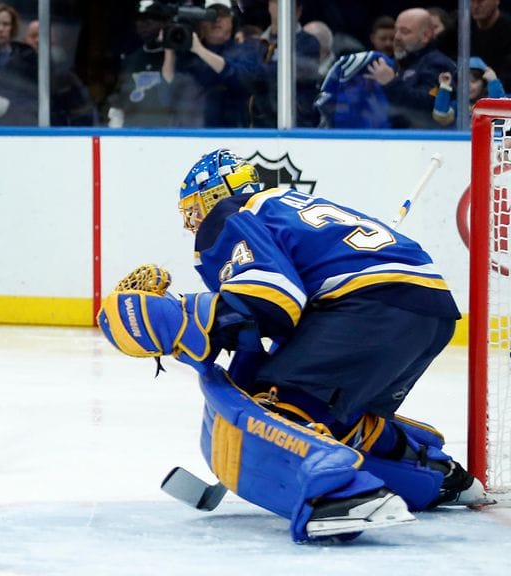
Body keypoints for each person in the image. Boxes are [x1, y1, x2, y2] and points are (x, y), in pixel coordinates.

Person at [97, 149, 491, 542]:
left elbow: (271, 299)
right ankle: (434, 475)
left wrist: (182, 320)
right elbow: (283, 321)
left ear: (214, 195)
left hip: (367, 305)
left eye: (195, 209)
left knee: (281, 407)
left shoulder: (228, 215)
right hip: (427, 311)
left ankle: (338, 495)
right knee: (323, 413)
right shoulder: (286, 205)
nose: (194, 222)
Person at [107, 0, 204, 128]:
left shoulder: (182, 59)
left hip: (168, 134)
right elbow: (119, 102)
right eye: (140, 19)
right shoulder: (130, 59)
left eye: (151, 18)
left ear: (166, 23)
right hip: (132, 133)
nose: (144, 24)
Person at [365, 7, 454, 130]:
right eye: (396, 30)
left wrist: (391, 83)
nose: (397, 37)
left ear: (426, 36)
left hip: (421, 138)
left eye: (405, 31)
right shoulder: (399, 62)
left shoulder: (438, 64)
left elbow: (428, 105)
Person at [249, 0, 321, 128]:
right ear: (269, 6)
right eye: (276, 2)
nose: (280, 8)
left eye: (284, 3)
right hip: (258, 123)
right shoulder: (256, 44)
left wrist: (251, 71)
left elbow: (286, 71)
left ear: (298, 11)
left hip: (294, 123)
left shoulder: (308, 42)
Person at [433, 56, 508, 126]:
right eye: (463, 81)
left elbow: (503, 113)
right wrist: (444, 87)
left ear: (484, 84)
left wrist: (493, 82)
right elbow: (441, 116)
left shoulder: (491, 103)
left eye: (473, 81)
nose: (468, 86)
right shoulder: (457, 106)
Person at [470, 0, 511, 91]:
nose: (475, 6)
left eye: (480, 1)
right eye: (471, 1)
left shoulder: (507, 30)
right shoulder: (461, 25)